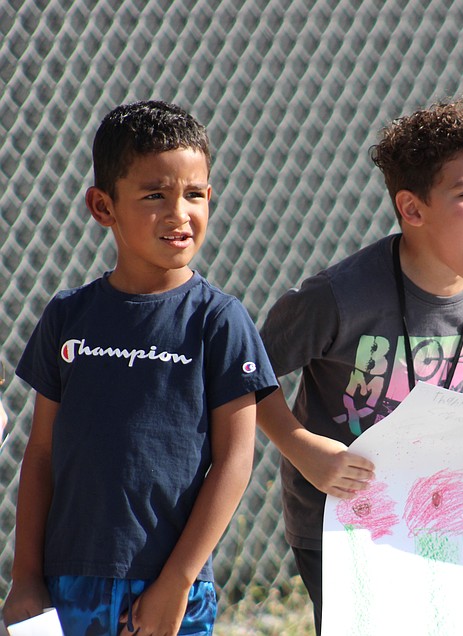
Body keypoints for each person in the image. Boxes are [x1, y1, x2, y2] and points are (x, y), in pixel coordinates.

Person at [257, 98, 463, 634]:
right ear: (411, 209)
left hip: (440, 513)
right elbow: (245, 378)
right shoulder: (339, 296)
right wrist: (303, 449)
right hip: (341, 523)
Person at [2, 100, 278, 636]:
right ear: (103, 207)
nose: (180, 213)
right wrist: (25, 578)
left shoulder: (220, 320)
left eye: (195, 194)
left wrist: (176, 583)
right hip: (65, 585)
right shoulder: (68, 315)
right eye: (155, 195)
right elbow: (40, 455)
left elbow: (235, 463)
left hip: (170, 588)